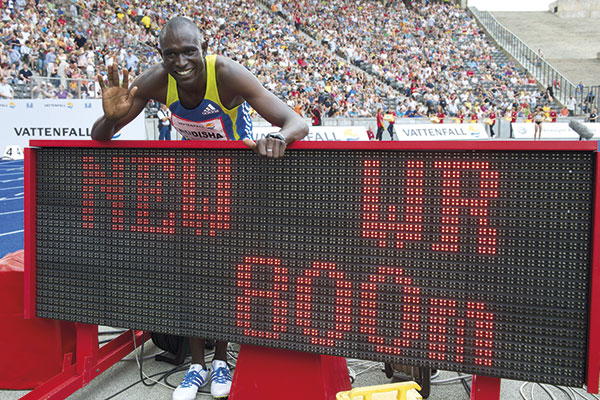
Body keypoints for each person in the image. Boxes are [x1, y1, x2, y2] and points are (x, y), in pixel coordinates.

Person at [91, 16, 308, 400]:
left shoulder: (226, 74)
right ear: (161, 56)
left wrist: (278, 137)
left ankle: (221, 361)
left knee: (223, 277)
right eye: (170, 54)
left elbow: (296, 121)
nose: (180, 62)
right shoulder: (157, 80)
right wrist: (109, 118)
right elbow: (100, 137)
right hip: (193, 185)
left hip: (239, 186)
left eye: (189, 51)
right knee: (191, 275)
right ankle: (195, 366)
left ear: (204, 49)